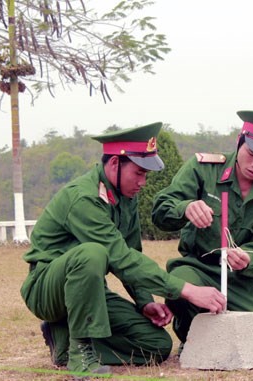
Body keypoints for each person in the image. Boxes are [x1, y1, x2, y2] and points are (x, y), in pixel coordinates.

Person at [20, 123, 226, 379]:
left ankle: (63, 342)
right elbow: (121, 258)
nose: (143, 182)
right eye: (138, 173)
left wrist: (145, 301)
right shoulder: (85, 199)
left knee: (156, 346)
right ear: (115, 164)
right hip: (46, 289)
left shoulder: (125, 196)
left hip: (89, 293)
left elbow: (132, 252)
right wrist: (188, 290)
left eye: (146, 175)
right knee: (92, 253)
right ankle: (81, 355)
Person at [151, 110, 253, 353]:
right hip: (198, 268)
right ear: (239, 141)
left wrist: (248, 259)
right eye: (251, 154)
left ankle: (224, 337)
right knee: (180, 286)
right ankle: (192, 336)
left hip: (242, 281)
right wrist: (185, 207)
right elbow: (160, 211)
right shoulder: (203, 169)